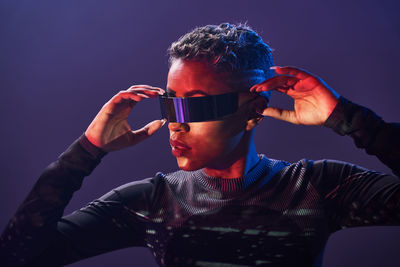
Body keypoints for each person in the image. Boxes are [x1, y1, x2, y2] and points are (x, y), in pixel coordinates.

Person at [1, 23, 399, 267]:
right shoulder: (153, 202)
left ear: (253, 110)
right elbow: (19, 257)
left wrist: (348, 118)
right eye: (170, 103)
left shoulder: (317, 188)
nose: (177, 124)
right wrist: (86, 151)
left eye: (195, 107)